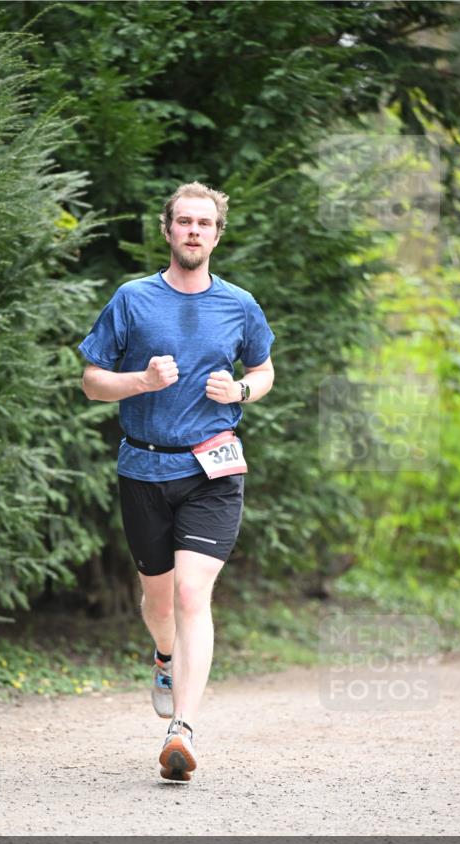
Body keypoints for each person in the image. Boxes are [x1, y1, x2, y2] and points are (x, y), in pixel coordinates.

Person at [79, 181, 275, 782]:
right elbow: (92, 379)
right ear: (167, 231)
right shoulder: (133, 300)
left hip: (213, 467)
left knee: (194, 594)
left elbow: (263, 369)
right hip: (143, 467)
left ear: (217, 234)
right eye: (184, 222)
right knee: (158, 600)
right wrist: (140, 381)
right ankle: (164, 656)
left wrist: (239, 389)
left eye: (204, 223)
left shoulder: (240, 304)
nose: (194, 231)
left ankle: (181, 731)